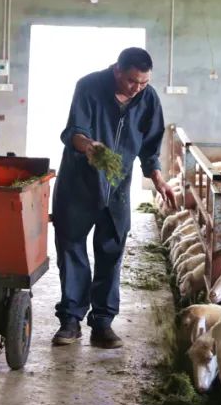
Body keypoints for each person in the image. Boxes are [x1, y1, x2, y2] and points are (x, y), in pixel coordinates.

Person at [51, 47, 177, 348]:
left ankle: (103, 323)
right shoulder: (89, 86)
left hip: (118, 187)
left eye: (144, 82)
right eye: (133, 81)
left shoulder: (148, 98)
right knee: (72, 250)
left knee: (111, 251)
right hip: (79, 184)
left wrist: (157, 176)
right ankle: (70, 320)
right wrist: (89, 146)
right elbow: (73, 132)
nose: (138, 88)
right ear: (117, 71)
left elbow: (150, 145)